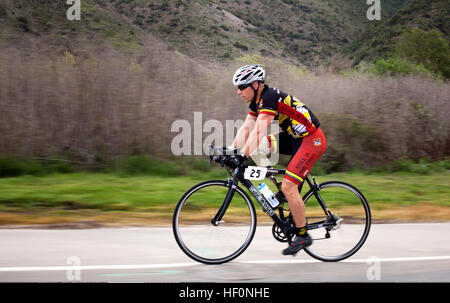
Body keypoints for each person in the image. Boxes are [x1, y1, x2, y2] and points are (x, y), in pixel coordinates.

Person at [231, 64, 327, 256]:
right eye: (238, 87)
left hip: (311, 140)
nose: (238, 91)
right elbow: (247, 128)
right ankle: (279, 189)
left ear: (255, 85)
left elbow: (259, 130)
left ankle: (302, 235)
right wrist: (232, 151)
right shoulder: (256, 102)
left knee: (289, 187)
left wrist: (242, 156)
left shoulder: (269, 98)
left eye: (242, 87)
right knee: (258, 148)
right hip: (293, 138)